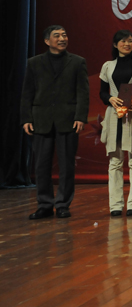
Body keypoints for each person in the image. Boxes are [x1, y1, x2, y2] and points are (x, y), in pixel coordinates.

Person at [20, 25, 89, 220]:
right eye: (57, 36)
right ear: (47, 41)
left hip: (68, 120)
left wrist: (80, 116)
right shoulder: (34, 63)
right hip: (41, 120)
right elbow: (27, 92)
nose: (62, 38)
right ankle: (44, 205)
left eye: (64, 35)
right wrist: (26, 118)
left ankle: (62, 205)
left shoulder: (77, 62)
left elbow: (83, 92)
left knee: (67, 165)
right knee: (41, 165)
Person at [99, 30, 132, 217]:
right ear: (115, 45)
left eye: (130, 41)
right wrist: (110, 99)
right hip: (114, 117)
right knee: (115, 162)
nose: (126, 44)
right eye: (122, 41)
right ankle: (115, 205)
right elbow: (102, 92)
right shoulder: (108, 66)